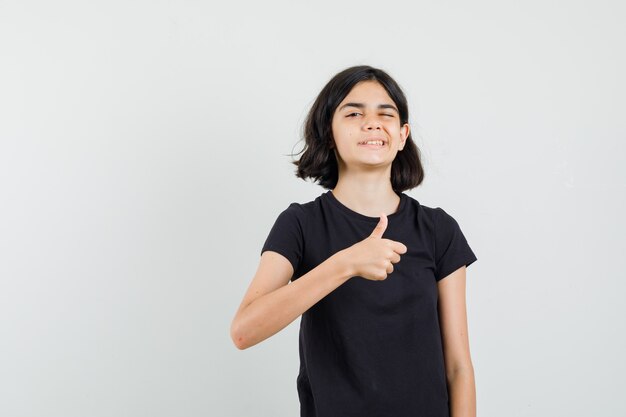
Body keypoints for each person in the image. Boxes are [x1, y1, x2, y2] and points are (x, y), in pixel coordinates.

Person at [230, 65, 478, 417]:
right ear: (329, 133)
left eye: (385, 114)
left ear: (403, 134)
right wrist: (344, 264)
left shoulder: (438, 229)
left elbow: (459, 367)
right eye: (353, 113)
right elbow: (244, 331)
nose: (372, 123)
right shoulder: (300, 224)